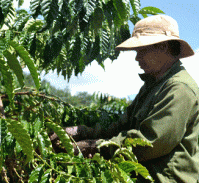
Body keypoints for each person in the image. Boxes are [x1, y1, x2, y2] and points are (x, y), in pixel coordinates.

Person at [50, 15, 199, 183]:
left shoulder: (179, 88)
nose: (137, 58)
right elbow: (121, 125)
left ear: (163, 47)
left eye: (141, 50)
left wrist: (93, 147)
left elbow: (151, 142)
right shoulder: (152, 86)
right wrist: (79, 132)